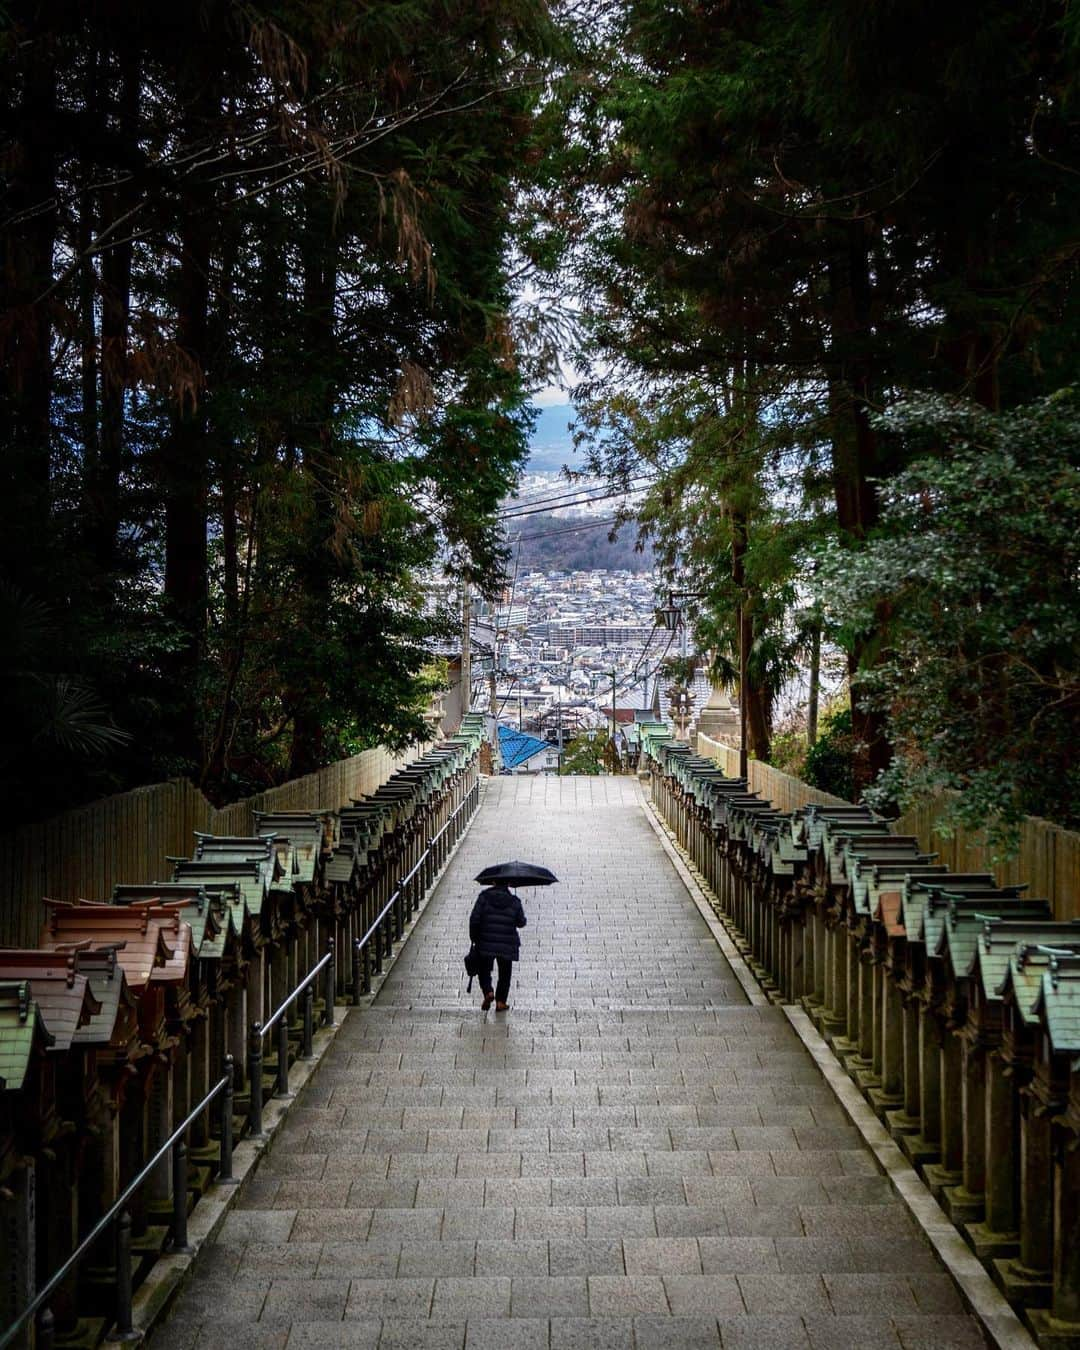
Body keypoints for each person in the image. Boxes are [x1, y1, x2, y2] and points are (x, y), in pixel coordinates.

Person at [469, 881, 526, 1011]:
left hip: (485, 941)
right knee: (505, 973)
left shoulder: (483, 897)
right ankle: (501, 1002)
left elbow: (474, 919)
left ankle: (488, 991)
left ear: (493, 882)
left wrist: (474, 937)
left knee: (484, 970)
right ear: (509, 884)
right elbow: (521, 922)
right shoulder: (514, 901)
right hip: (507, 943)